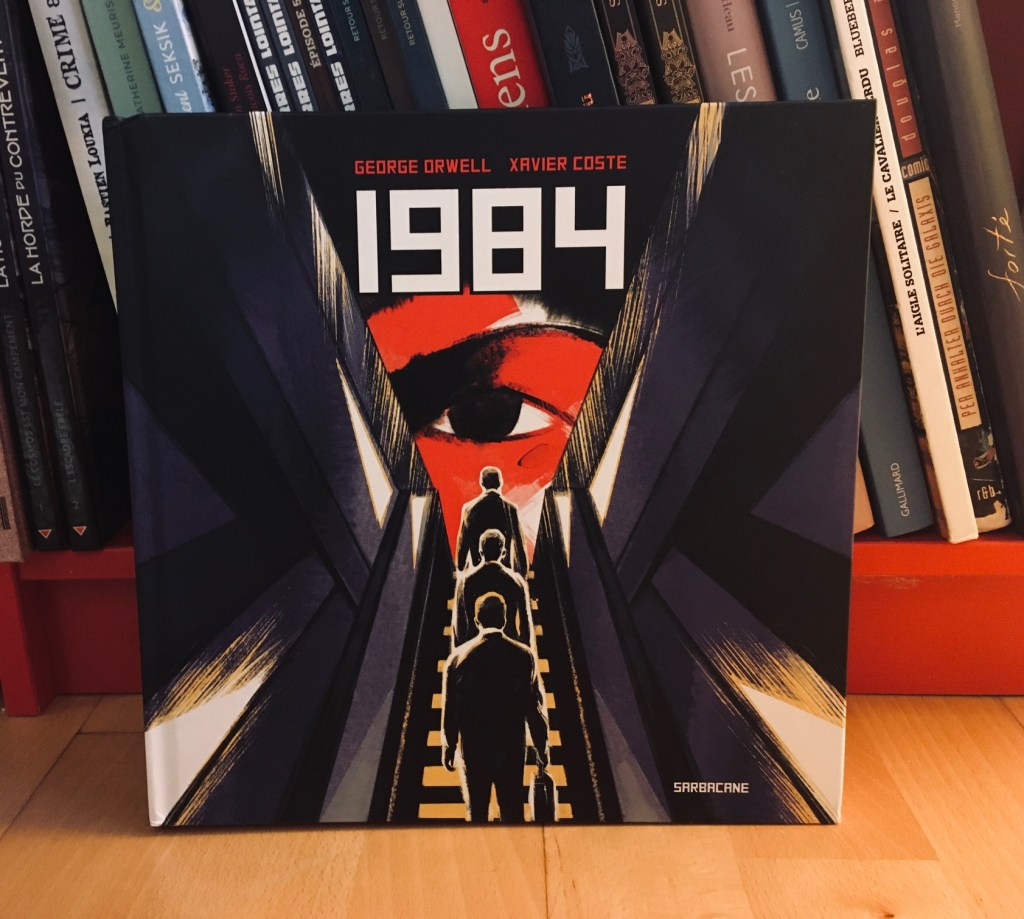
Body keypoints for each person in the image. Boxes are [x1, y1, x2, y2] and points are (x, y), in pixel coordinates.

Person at [441, 593, 549, 823]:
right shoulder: (523, 656)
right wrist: (541, 746)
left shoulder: (457, 659)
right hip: (510, 747)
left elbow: (451, 709)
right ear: (504, 619)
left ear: (476, 621)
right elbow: (533, 708)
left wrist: (450, 745)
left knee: (477, 811)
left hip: (474, 747)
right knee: (512, 810)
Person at [452, 529, 533, 648]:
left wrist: (461, 650)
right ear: (503, 553)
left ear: (480, 552)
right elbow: (525, 625)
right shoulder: (516, 581)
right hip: (507, 647)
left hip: (475, 648)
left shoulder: (466, 582)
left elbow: (459, 626)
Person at [455, 466, 528, 573]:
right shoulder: (510, 508)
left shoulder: (469, 509)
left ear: (482, 483)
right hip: (503, 571)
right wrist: (524, 570)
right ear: (500, 483)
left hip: (478, 571)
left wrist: (460, 565)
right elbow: (519, 544)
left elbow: (463, 543)